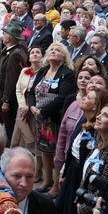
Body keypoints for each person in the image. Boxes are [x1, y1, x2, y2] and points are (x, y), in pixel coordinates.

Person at [26, 42, 76, 191]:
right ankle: (47, 181)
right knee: (44, 151)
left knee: (56, 153)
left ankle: (56, 185)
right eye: (51, 49)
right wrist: (32, 107)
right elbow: (31, 92)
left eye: (57, 50)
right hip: (40, 119)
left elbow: (62, 98)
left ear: (64, 56)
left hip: (54, 119)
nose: (53, 51)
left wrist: (43, 111)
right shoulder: (43, 70)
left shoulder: (67, 73)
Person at [0, 20, 28, 141]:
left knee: (9, 127)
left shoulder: (15, 54)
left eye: (4, 34)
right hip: (4, 94)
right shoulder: (10, 51)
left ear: (10, 37)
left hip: (10, 100)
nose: (2, 36)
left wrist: (6, 100)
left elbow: (12, 80)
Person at [13, 46, 43, 153]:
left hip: (36, 105)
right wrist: (22, 105)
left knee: (33, 132)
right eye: (32, 53)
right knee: (19, 132)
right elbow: (18, 89)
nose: (35, 54)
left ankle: (33, 156)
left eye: (38, 52)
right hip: (23, 104)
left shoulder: (44, 72)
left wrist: (30, 106)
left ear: (42, 57)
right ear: (29, 58)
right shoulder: (25, 70)